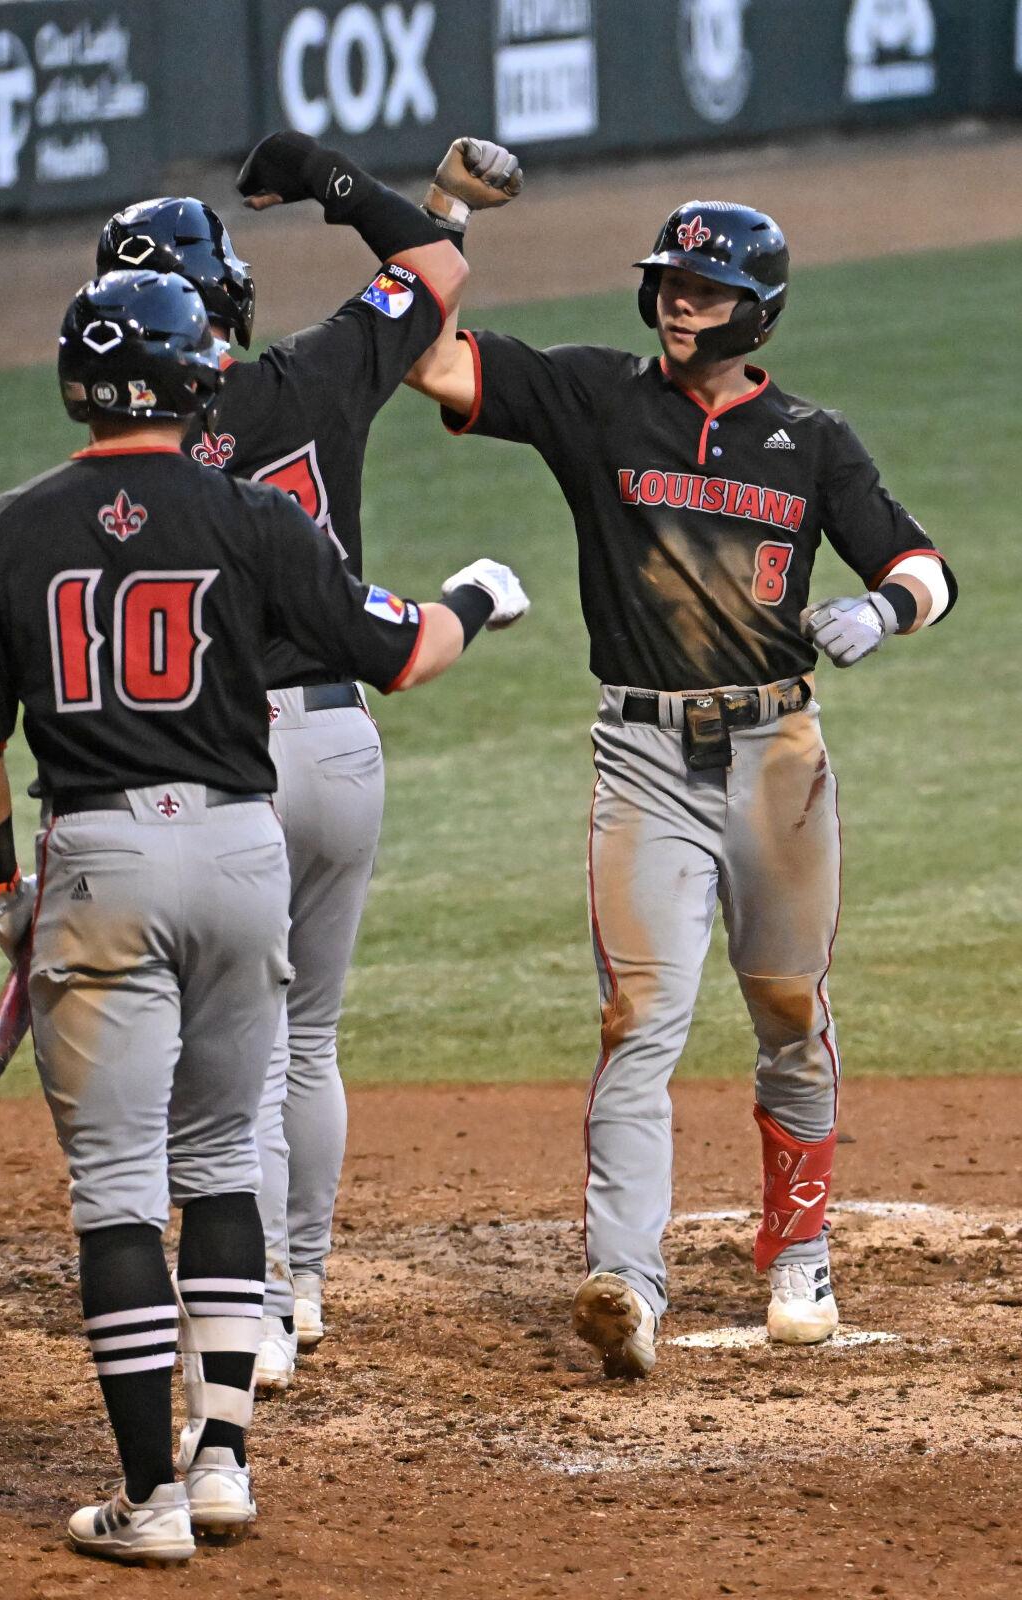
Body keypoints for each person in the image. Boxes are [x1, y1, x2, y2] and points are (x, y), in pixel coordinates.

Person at [0, 269, 528, 1562]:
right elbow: (403, 652)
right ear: (192, 372)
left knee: (120, 1192)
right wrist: (475, 593)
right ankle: (220, 1467)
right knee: (217, 1163)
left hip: (99, 863)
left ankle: (145, 1504)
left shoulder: (6, 529)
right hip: (243, 856)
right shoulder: (254, 517)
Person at [406, 198, 956, 1378]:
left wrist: (881, 607)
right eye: (665, 281)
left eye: (699, 289)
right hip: (641, 760)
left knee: (787, 1011)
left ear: (753, 310)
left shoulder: (810, 438)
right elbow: (427, 358)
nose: (674, 300)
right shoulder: (596, 395)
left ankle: (796, 1247)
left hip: (777, 765)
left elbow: (923, 566)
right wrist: (427, 219)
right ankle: (624, 1278)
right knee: (635, 1023)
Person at [93, 131, 522, 1389]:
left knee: (234, 1053)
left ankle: (259, 1305)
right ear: (224, 297)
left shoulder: (127, 470)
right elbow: (431, 269)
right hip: (337, 740)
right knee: (310, 1040)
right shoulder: (318, 373)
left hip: (208, 771)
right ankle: (310, 1285)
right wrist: (342, 184)